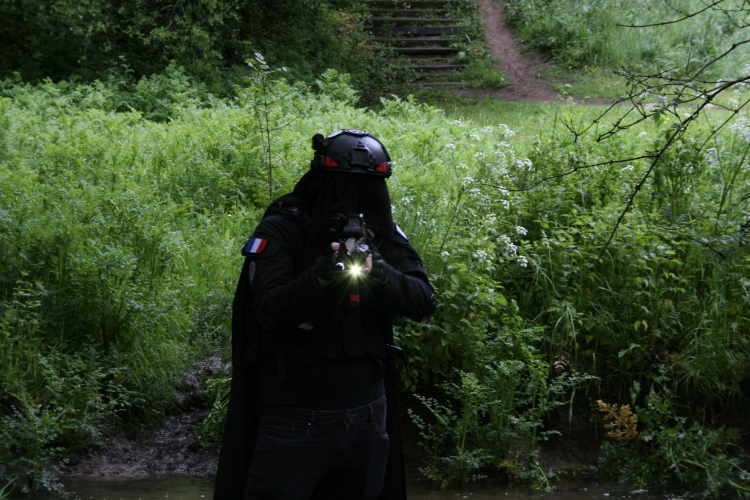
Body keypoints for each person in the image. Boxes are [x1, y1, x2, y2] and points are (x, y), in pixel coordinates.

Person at [213, 129, 436, 500]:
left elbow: (424, 302)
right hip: (295, 418)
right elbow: (266, 310)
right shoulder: (284, 228)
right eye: (345, 186)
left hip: (368, 416)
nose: (357, 198)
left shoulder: (381, 233)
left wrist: (383, 274)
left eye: (369, 188)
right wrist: (321, 278)